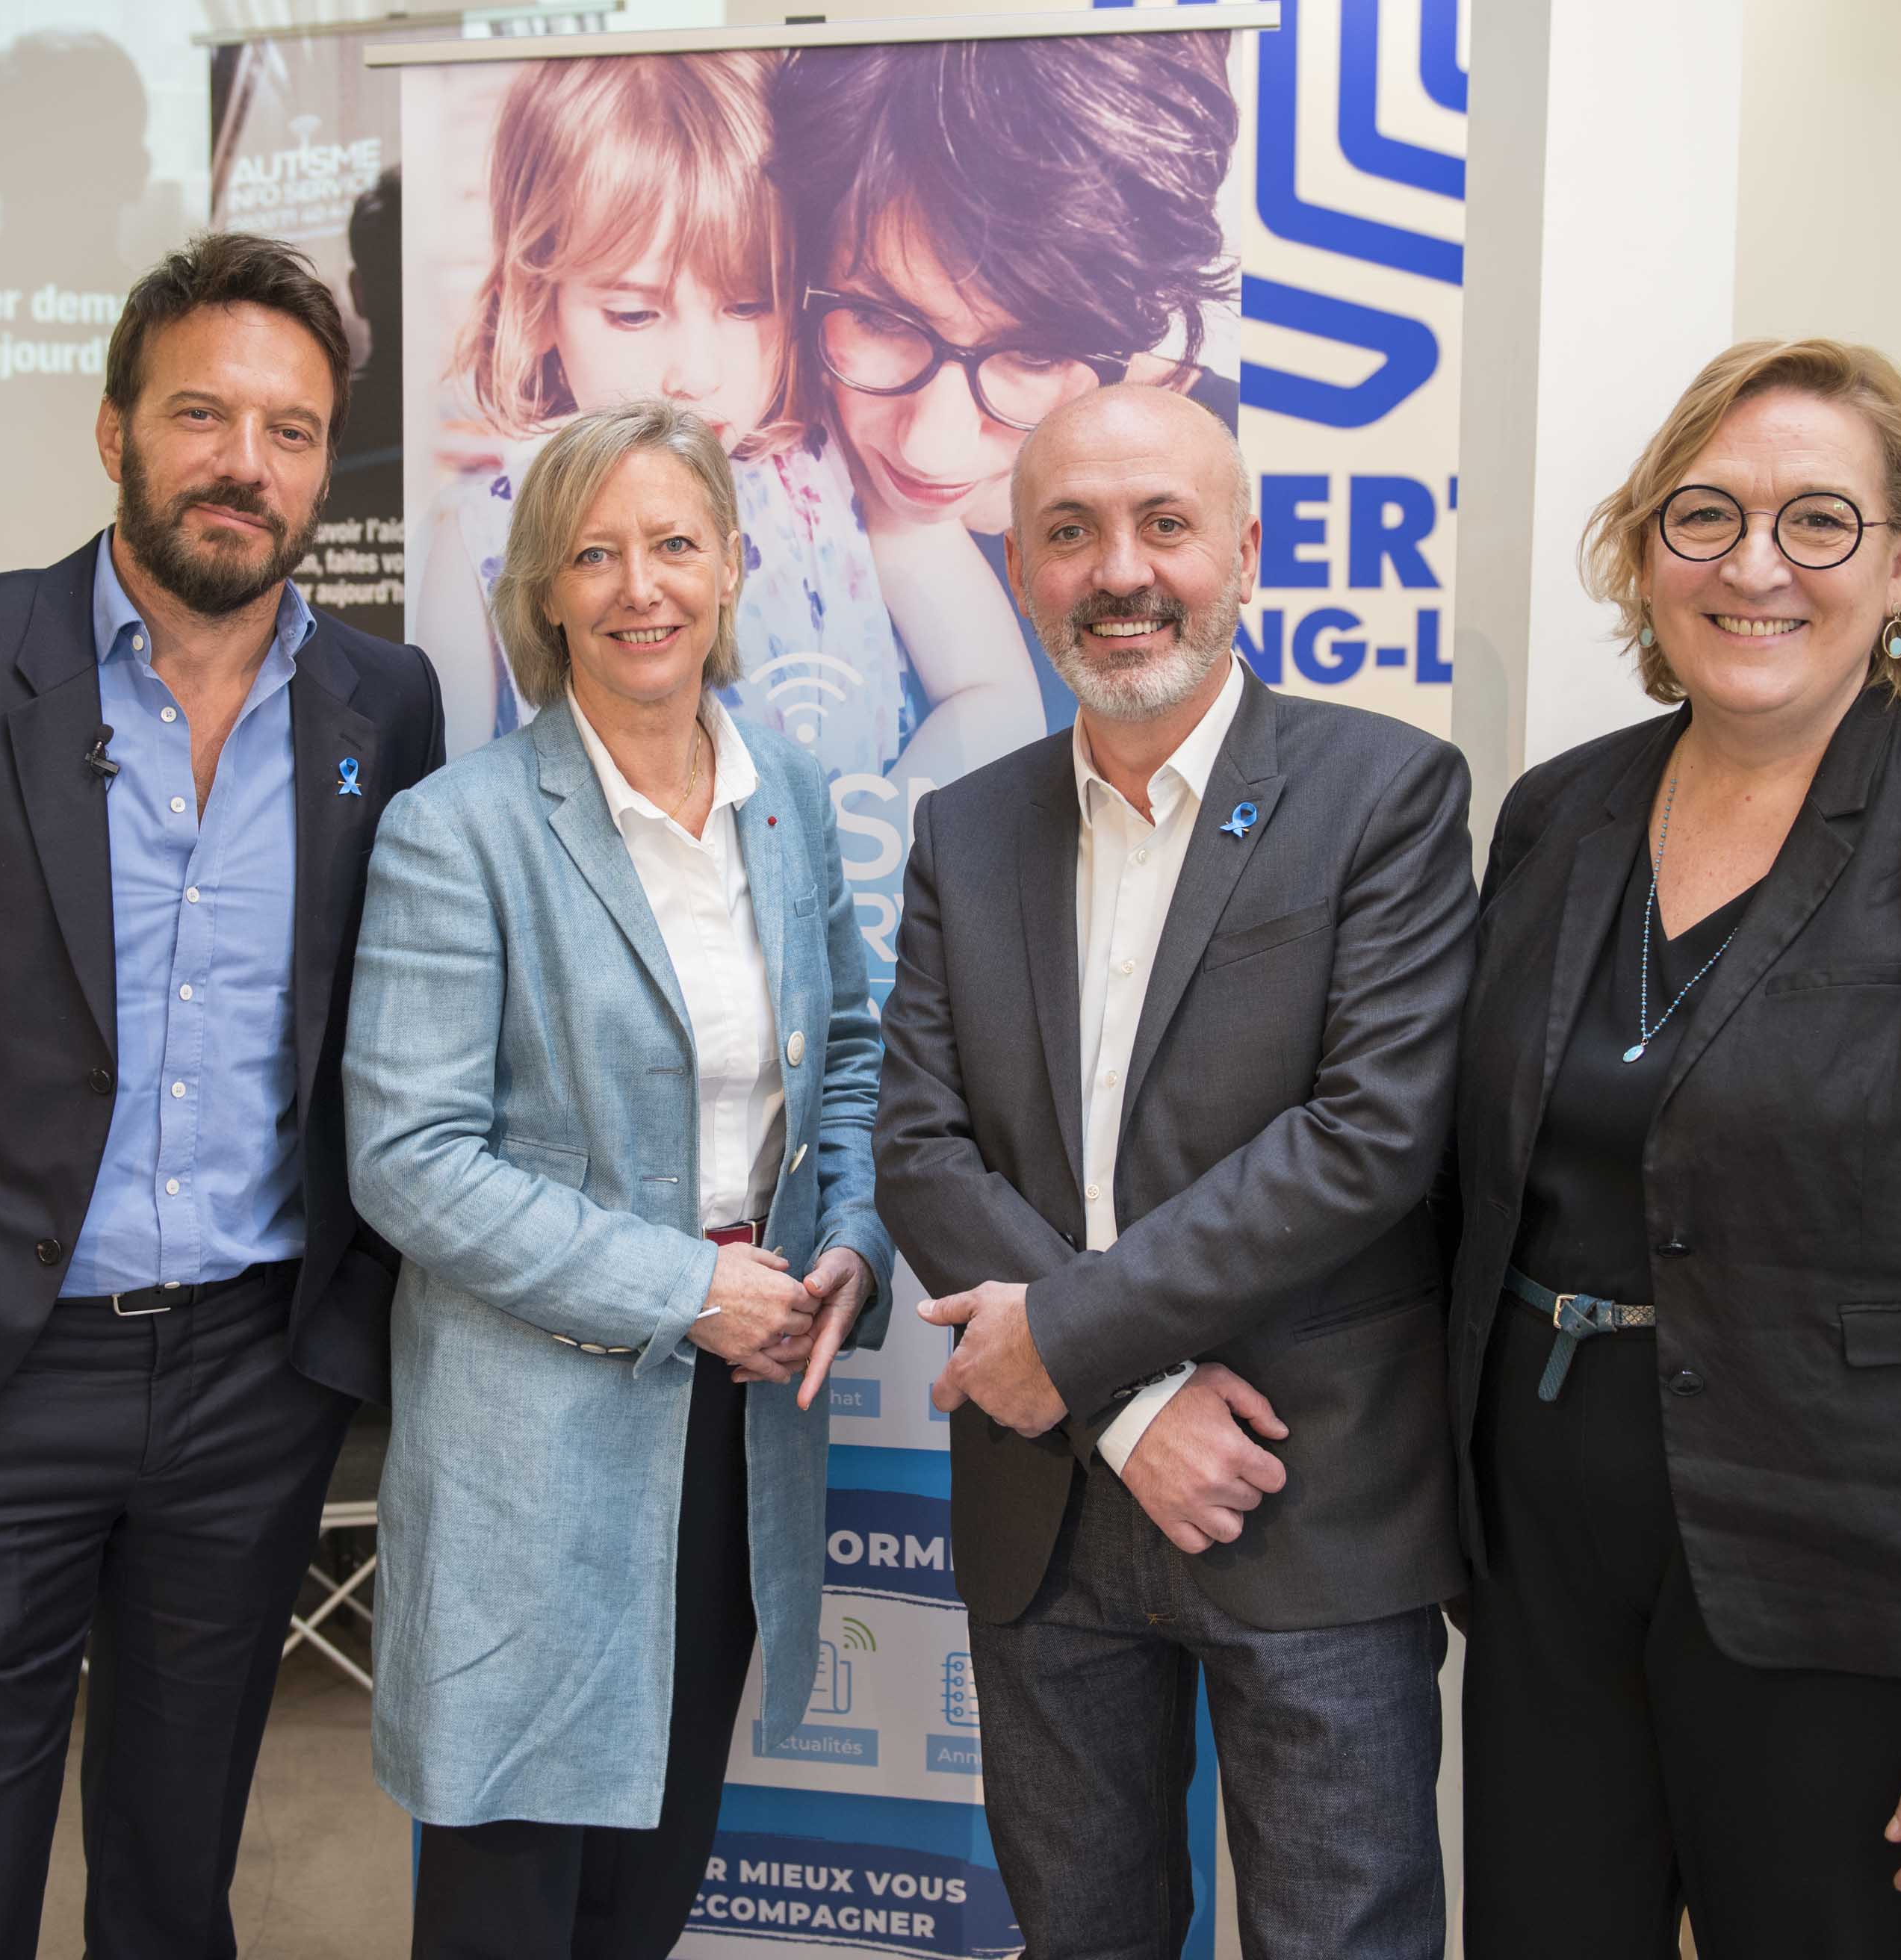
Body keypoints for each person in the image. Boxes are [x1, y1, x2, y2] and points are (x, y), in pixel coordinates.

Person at [0, 232, 445, 1960]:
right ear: (110, 424)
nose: (242, 463)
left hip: (250, 1379)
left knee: (177, 1884)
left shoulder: (381, 703)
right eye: (201, 412)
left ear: (324, 464)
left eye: (288, 428)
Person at [1446, 338, 1901, 1958]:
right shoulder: (1557, 817)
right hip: (1546, 1567)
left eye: (1820, 522)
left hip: (1848, 1586)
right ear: (1645, 557)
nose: (1755, 565)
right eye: (1703, 517)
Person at [875, 385, 1475, 1958]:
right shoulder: (963, 827)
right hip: (1049, 1507)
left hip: (1305, 1492)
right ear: (1017, 568)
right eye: (1069, 532)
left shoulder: (1385, 795)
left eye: (1164, 525)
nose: (1118, 570)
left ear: (1248, 553)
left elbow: (1369, 1137)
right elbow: (919, 1148)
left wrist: (1062, 1340)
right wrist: (1123, 1401)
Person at [344, 397, 896, 1960]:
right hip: (537, 1442)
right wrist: (686, 1288)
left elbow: (846, 1048)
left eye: (671, 543)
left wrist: (850, 1237)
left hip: (736, 1431)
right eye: (594, 552)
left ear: (731, 564)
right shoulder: (459, 833)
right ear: (545, 589)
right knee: (517, 1893)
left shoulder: (781, 790)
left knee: (653, 1877)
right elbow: (411, 1162)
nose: (637, 585)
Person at [415, 52, 932, 780]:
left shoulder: (840, 462)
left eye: (748, 303)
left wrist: (887, 850)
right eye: (633, 313)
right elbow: (451, 809)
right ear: (536, 304)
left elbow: (988, 689)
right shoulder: (477, 531)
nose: (695, 371)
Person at [772, 31, 1241, 736]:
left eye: (1033, 356)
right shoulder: (750, 443)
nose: (931, 449)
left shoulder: (1254, 463)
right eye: (878, 318)